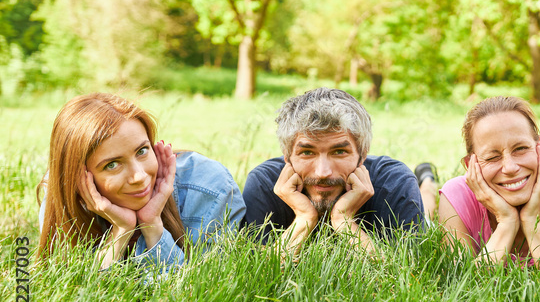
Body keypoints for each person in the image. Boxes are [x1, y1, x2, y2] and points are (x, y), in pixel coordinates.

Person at [37, 93, 245, 271]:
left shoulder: (208, 188)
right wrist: (122, 230)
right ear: (79, 177)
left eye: (142, 151)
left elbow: (193, 296)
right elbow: (83, 297)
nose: (139, 177)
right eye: (112, 165)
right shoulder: (63, 198)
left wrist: (152, 225)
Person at [242, 88, 423, 259]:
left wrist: (344, 222)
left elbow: (405, 277)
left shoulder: (394, 182)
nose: (323, 173)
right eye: (307, 152)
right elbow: (259, 276)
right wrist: (304, 218)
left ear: (362, 155)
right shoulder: (263, 184)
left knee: (427, 207)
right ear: (287, 158)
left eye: (339, 152)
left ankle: (427, 181)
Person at [437, 96, 540, 278]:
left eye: (521, 149)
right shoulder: (457, 198)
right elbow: (463, 287)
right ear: (470, 165)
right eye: (492, 157)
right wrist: (506, 221)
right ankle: (427, 182)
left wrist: (532, 224)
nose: (510, 168)